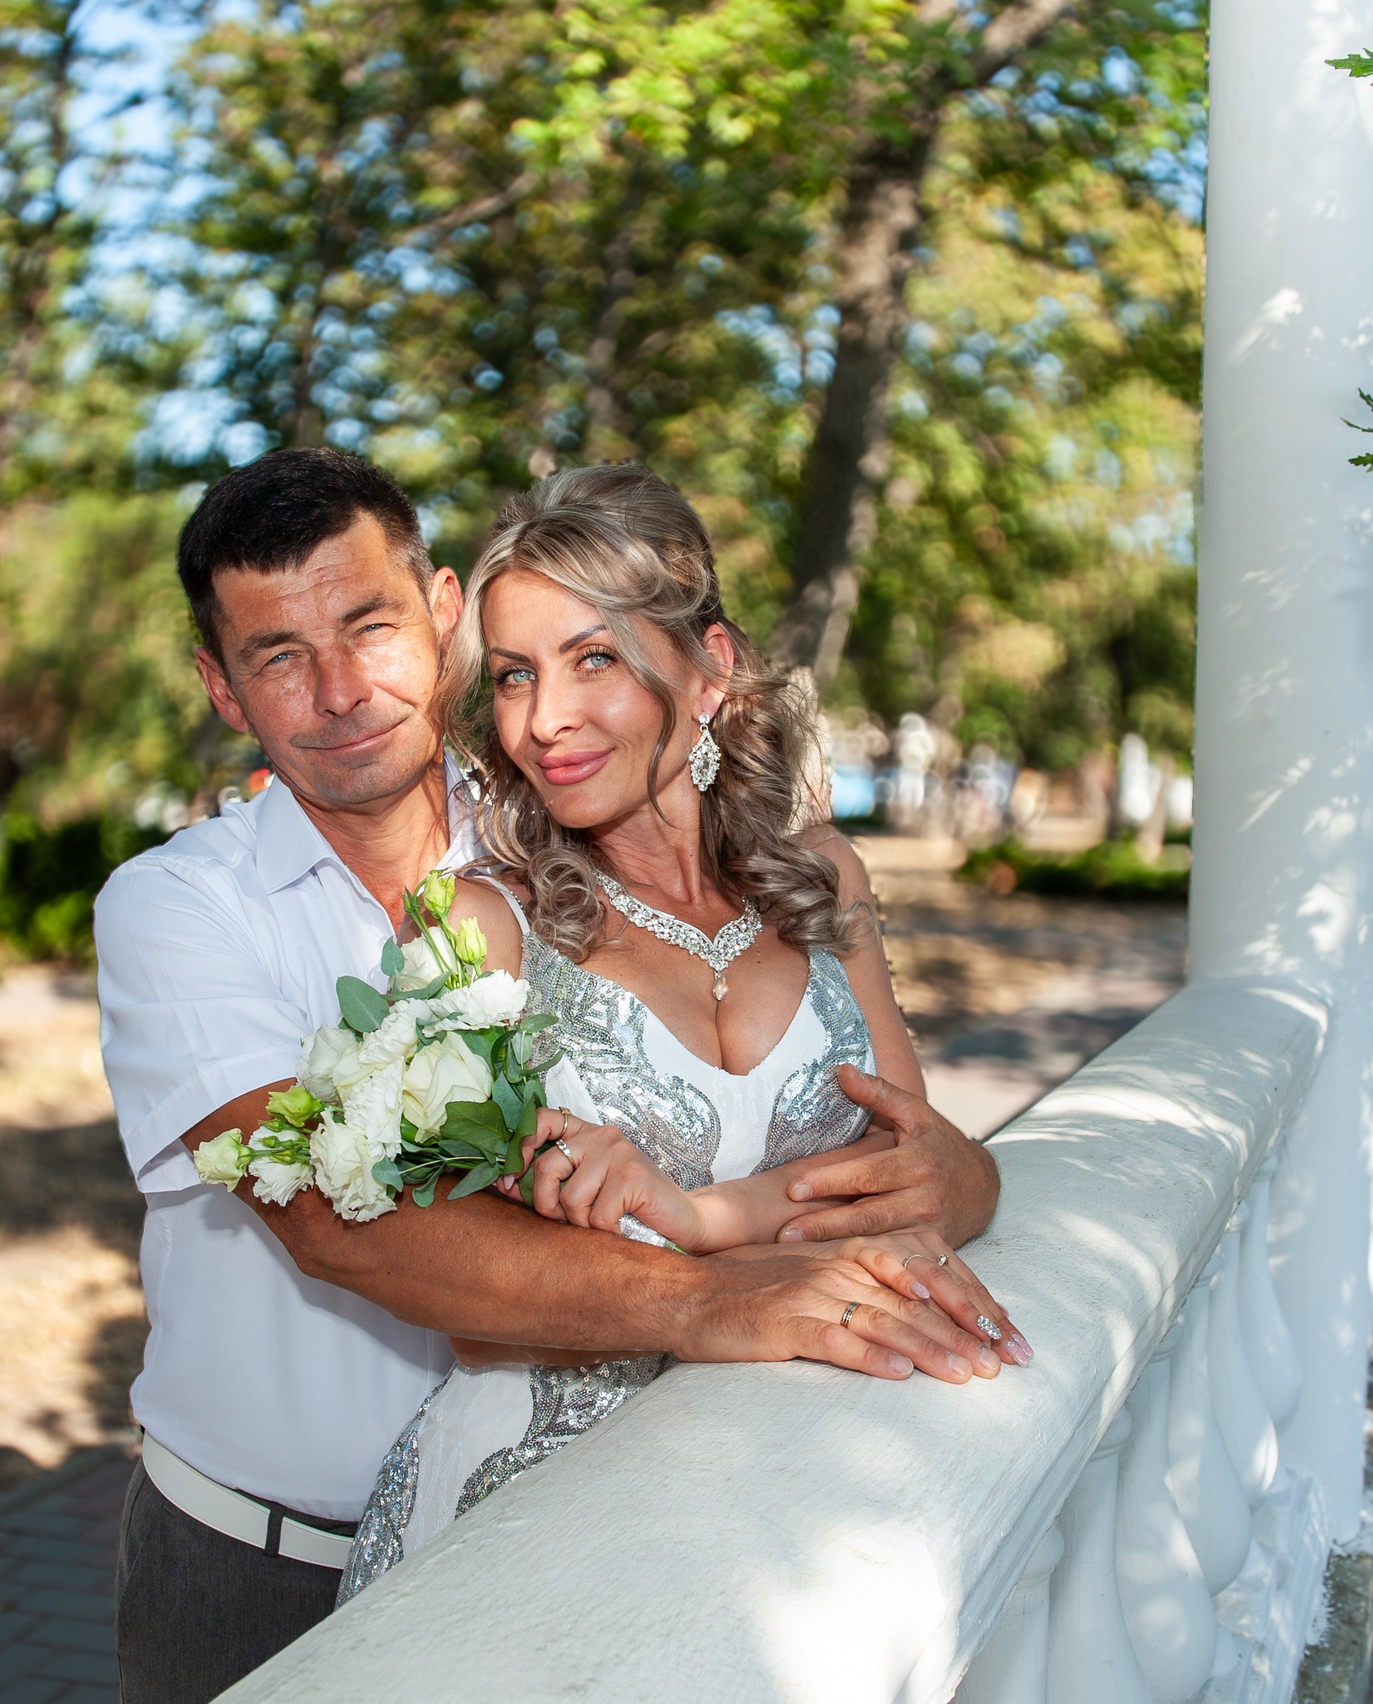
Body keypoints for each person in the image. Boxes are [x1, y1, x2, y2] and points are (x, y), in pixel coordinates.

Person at [95, 448, 1014, 1703]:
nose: (339, 690)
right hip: (266, 1555)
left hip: (629, 1515)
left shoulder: (561, 826)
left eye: (369, 626)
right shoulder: (177, 910)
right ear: (222, 687)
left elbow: (865, 1136)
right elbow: (337, 1225)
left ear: (439, 614)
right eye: (275, 656)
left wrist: (958, 1170)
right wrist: (713, 1292)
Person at [335, 464, 1028, 1601]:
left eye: (592, 658)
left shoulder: (821, 880)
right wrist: (735, 1252)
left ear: (709, 669)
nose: (542, 720)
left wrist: (688, 1216)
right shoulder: (475, 929)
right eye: (512, 677)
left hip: (792, 1503)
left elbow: (919, 1176)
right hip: (535, 1518)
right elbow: (463, 1301)